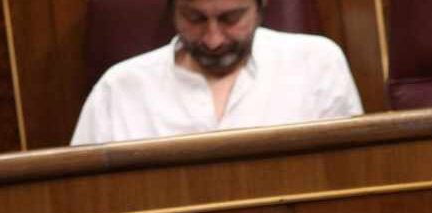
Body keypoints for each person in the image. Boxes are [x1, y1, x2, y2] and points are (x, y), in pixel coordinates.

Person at [70, 0, 362, 145]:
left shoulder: (317, 63)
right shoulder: (119, 88)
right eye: (194, 19)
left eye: (230, 19)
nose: (213, 40)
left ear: (261, 7)